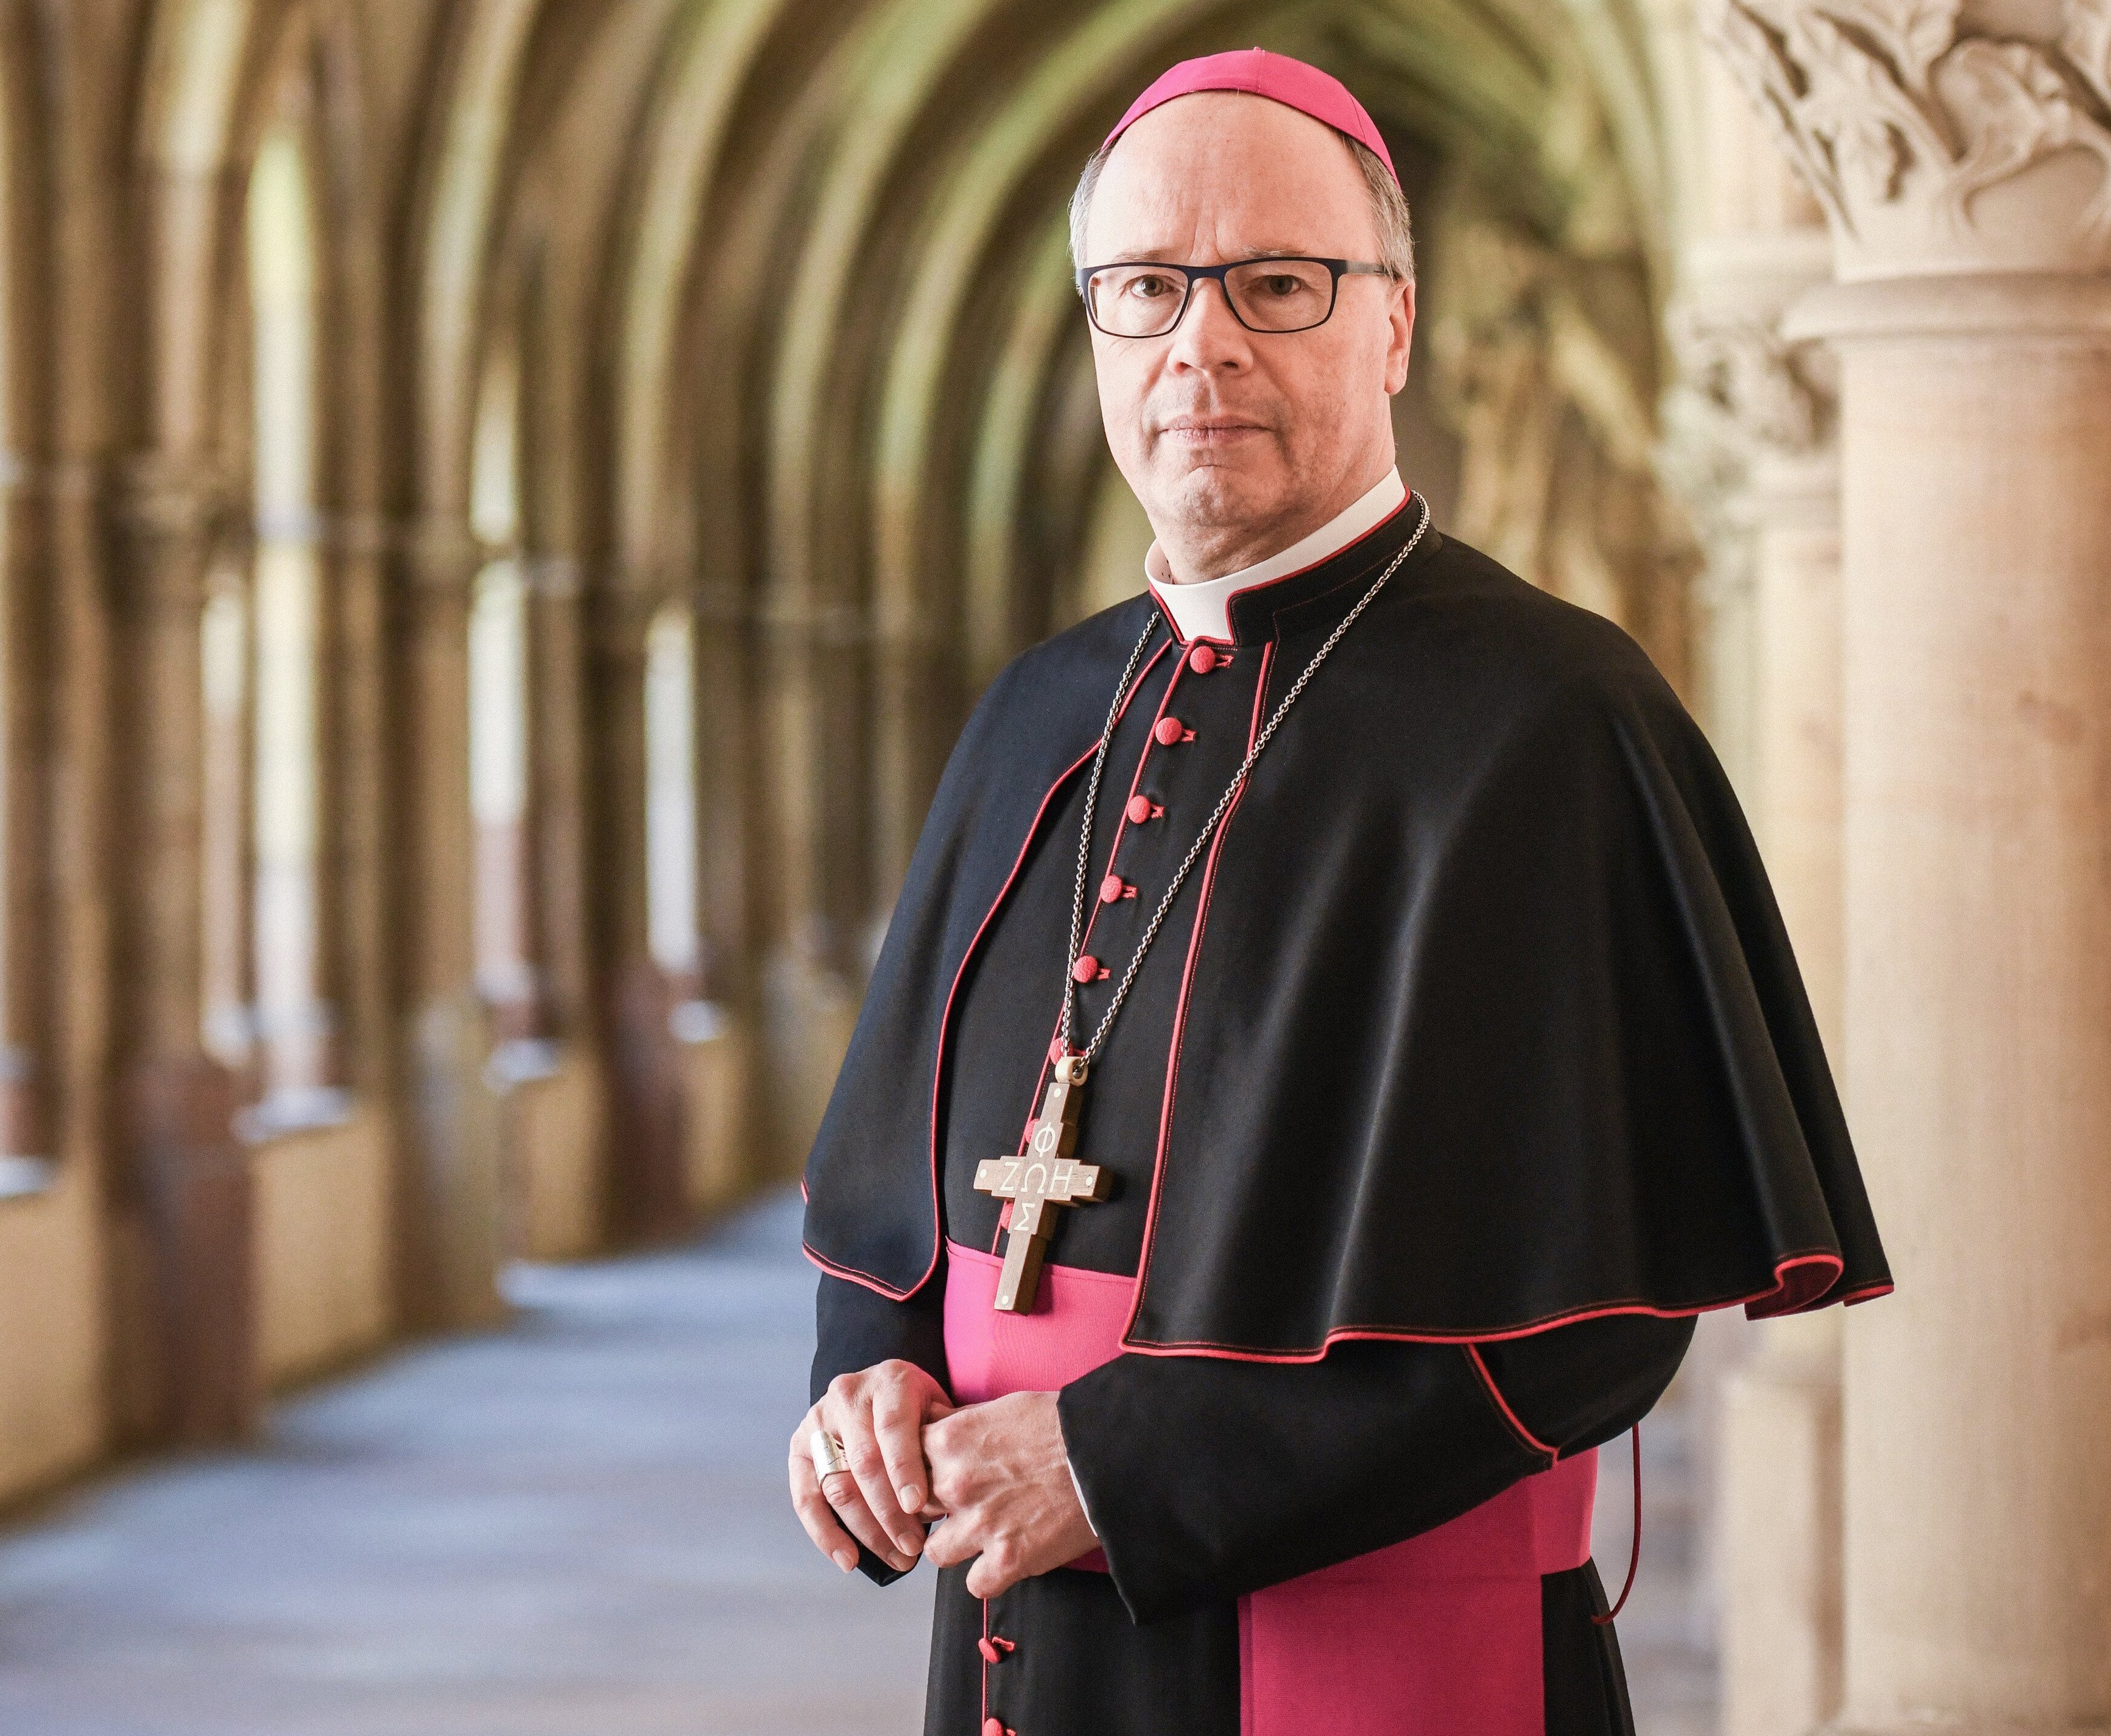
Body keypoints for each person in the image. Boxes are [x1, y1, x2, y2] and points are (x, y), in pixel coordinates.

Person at [790, 47, 1889, 1736]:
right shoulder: (1032, 714)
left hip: (1382, 1649)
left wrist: (1117, 1461)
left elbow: (1591, 1321)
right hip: (1026, 1644)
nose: (1198, 345)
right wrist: (860, 1383)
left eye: (1274, 285)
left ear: (1392, 323)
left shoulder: (1552, 719)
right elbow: (890, 1208)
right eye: (1144, 289)